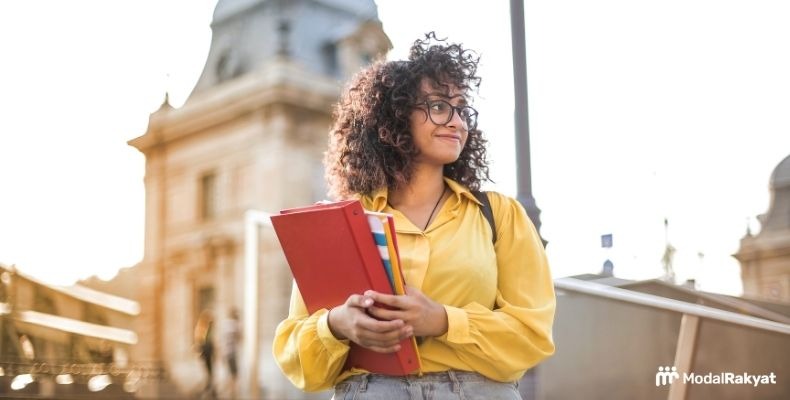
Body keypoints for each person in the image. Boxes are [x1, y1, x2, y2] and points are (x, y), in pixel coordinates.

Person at [273, 32, 555, 399]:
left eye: (462, 108)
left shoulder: (499, 215)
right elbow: (298, 358)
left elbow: (532, 336)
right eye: (439, 106)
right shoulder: (341, 222)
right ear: (394, 117)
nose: (457, 121)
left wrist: (442, 320)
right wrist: (337, 324)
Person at [194, 309, 216, 396]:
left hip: (206, 351)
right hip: (206, 350)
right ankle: (208, 388)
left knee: (209, 371)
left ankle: (209, 387)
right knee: (209, 371)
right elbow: (200, 341)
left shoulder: (204, 328)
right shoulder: (202, 328)